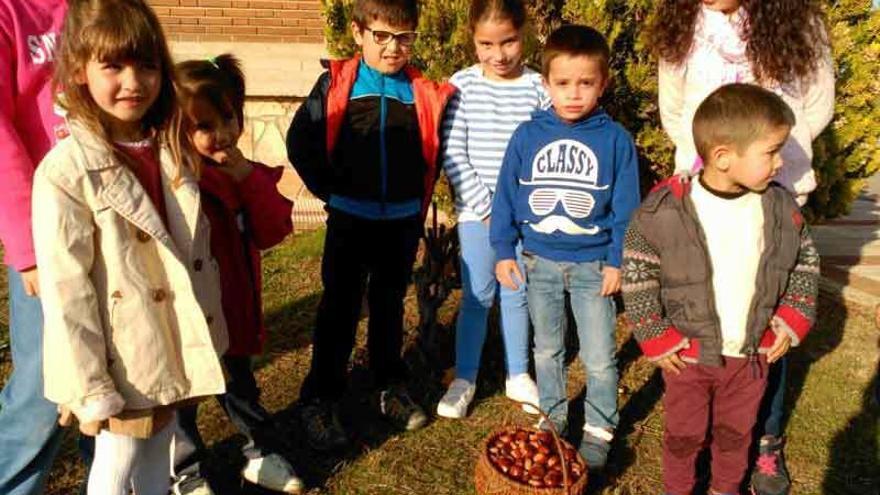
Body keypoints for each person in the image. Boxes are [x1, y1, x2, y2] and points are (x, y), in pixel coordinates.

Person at [32, 1, 228, 493]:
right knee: (117, 458)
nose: (133, 82)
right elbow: (66, 291)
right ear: (79, 69)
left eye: (146, 64)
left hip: (167, 340)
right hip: (121, 351)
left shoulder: (167, 148)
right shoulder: (66, 171)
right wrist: (91, 384)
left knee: (158, 447)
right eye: (113, 66)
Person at [648, 3, 833, 491]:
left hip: (770, 186)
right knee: (712, 294)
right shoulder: (684, 24)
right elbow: (673, 106)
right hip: (709, 181)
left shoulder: (799, 21)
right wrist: (716, 162)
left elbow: (816, 105)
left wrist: (770, 157)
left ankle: (762, 442)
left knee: (761, 309)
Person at [622, 83, 820, 495]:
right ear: (723, 157)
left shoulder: (780, 210)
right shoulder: (667, 211)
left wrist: (789, 319)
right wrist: (655, 336)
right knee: (684, 436)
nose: (781, 162)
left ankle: (724, 489)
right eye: (771, 152)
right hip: (689, 358)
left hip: (749, 357)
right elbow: (638, 274)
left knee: (736, 437)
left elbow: (804, 262)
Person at [286, 0, 454, 452]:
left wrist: (419, 202)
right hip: (349, 220)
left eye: (403, 37)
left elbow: (434, 150)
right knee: (339, 307)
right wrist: (329, 190)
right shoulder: (337, 83)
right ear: (359, 32)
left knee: (388, 305)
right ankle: (321, 397)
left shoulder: (421, 91)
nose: (392, 48)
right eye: (381, 36)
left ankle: (388, 385)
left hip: (399, 222)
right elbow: (299, 140)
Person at [490, 25, 640, 471]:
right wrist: (502, 249)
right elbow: (506, 196)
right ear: (545, 83)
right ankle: (553, 421)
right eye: (563, 83)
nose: (574, 93)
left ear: (603, 84)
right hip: (540, 265)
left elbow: (627, 209)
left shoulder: (615, 141)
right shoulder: (526, 136)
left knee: (598, 356)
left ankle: (599, 429)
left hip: (594, 266)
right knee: (547, 350)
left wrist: (618, 260)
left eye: (586, 82)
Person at [170, 54, 301, 495]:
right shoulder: (173, 185)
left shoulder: (248, 178)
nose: (223, 133)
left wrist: (247, 178)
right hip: (187, 320)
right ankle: (186, 472)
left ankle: (259, 453)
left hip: (235, 314)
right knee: (181, 404)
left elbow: (273, 230)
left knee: (240, 388)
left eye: (229, 117)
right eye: (204, 126)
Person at [436, 0, 548, 420]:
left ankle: (518, 374)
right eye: (486, 44)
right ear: (473, 40)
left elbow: (543, 152)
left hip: (523, 218)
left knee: (516, 293)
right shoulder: (462, 85)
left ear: (525, 35)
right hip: (476, 216)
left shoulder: (539, 87)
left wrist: (520, 212)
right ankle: (465, 376)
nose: (498, 55)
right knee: (478, 296)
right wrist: (487, 210)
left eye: (508, 42)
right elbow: (453, 153)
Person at [0, 0, 72, 493]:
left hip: (113, 225)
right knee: (42, 395)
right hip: (47, 235)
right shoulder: (9, 15)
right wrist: (27, 248)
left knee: (123, 383)